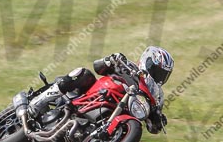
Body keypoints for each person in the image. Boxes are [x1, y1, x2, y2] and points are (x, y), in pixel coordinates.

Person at [35, 45, 173, 134]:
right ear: (147, 60)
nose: (158, 76)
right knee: (84, 73)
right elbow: (98, 67)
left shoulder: (156, 95)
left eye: (163, 74)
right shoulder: (128, 65)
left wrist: (158, 120)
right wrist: (111, 60)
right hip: (97, 93)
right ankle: (38, 102)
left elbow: (153, 129)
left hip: (118, 112)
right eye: (157, 70)